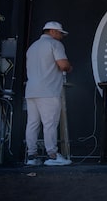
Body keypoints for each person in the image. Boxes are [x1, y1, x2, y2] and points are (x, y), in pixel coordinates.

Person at [24, 21, 72, 166]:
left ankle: (31, 156)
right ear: (52, 31)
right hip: (48, 90)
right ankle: (52, 155)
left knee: (32, 123)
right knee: (49, 123)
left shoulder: (32, 47)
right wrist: (69, 68)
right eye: (60, 33)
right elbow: (63, 65)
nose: (61, 36)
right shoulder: (55, 44)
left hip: (31, 90)